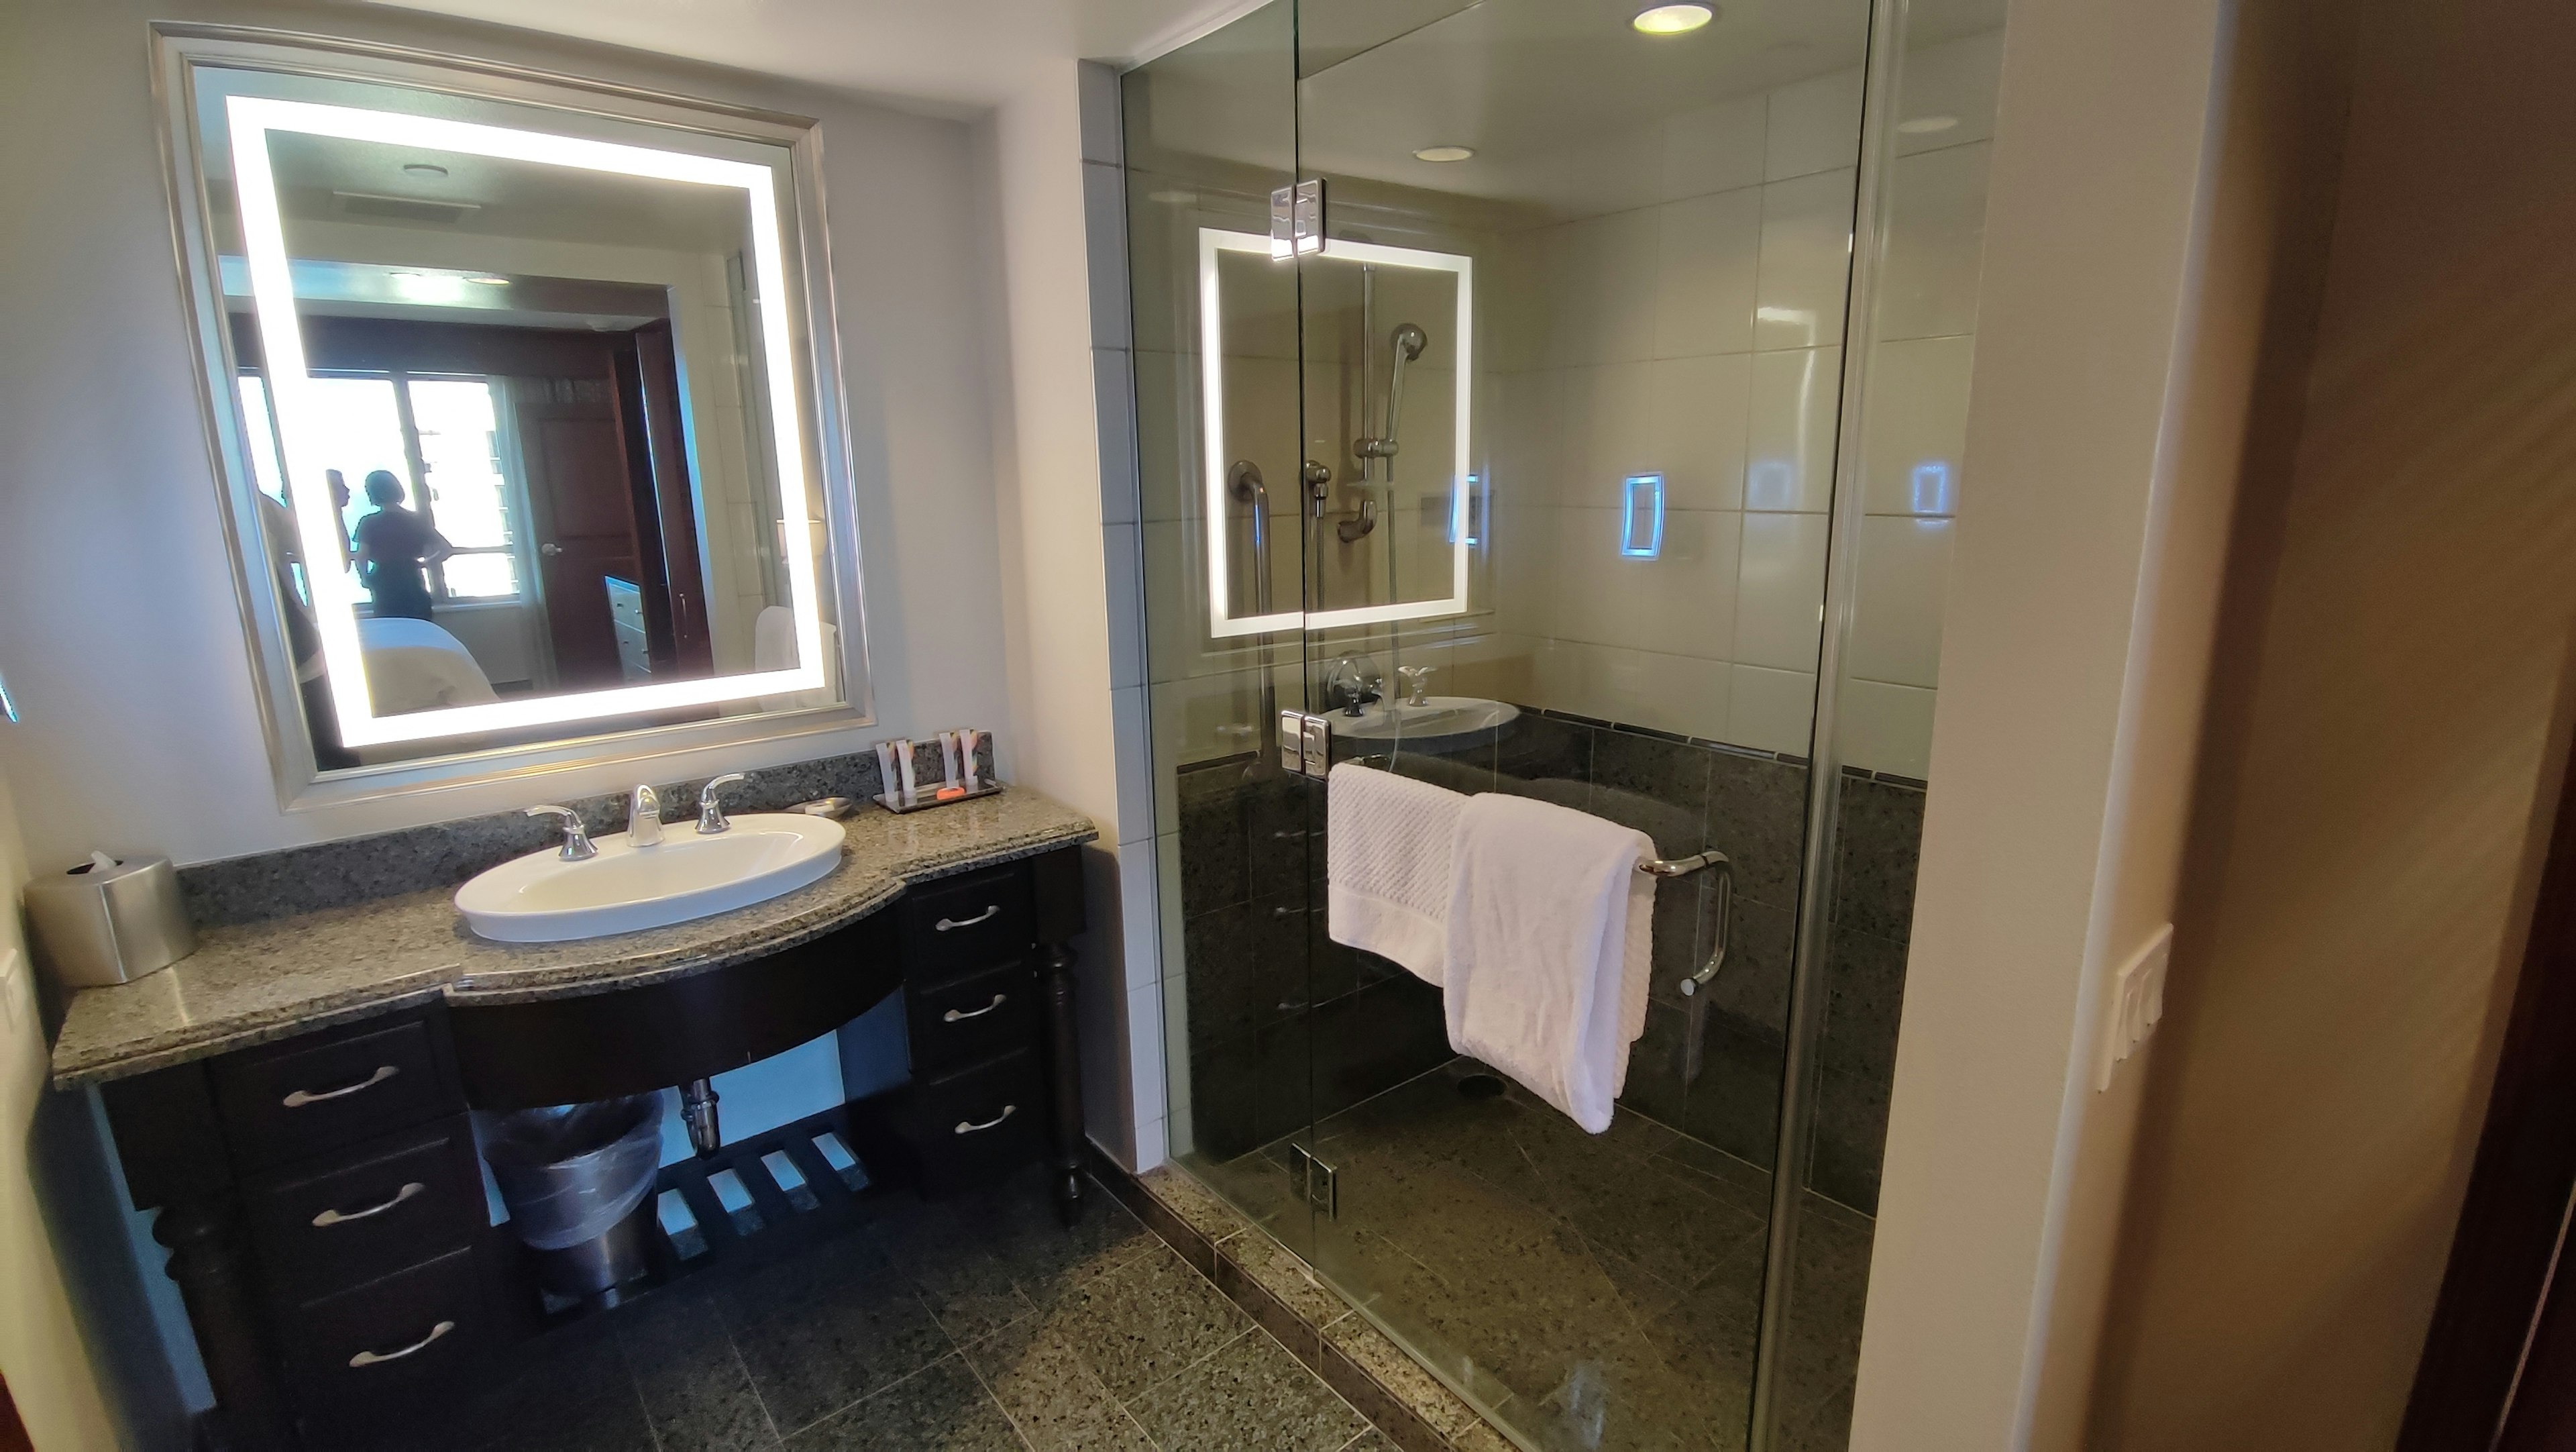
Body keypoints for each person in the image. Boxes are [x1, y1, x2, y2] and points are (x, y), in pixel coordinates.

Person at [350, 469, 451, 622]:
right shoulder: (416, 520)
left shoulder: (369, 522)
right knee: (419, 625)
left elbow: (362, 555)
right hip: (412, 577)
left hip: (384, 579)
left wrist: (364, 577)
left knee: (391, 628)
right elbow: (445, 549)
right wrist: (424, 564)